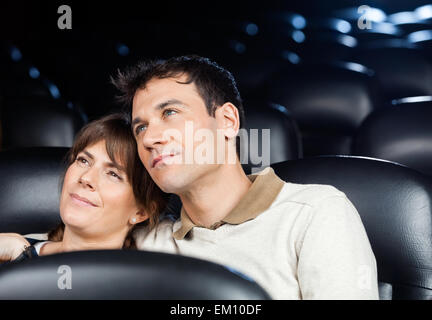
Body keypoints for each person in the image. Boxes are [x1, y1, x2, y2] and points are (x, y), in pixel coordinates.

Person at [111, 55, 379, 299]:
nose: (149, 138)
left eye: (170, 113)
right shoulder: (148, 240)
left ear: (227, 121)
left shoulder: (316, 213)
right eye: (140, 127)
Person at [0, 113, 166, 263]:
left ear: (141, 212)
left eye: (113, 174)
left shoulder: (145, 282)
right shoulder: (11, 249)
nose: (86, 178)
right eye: (83, 161)